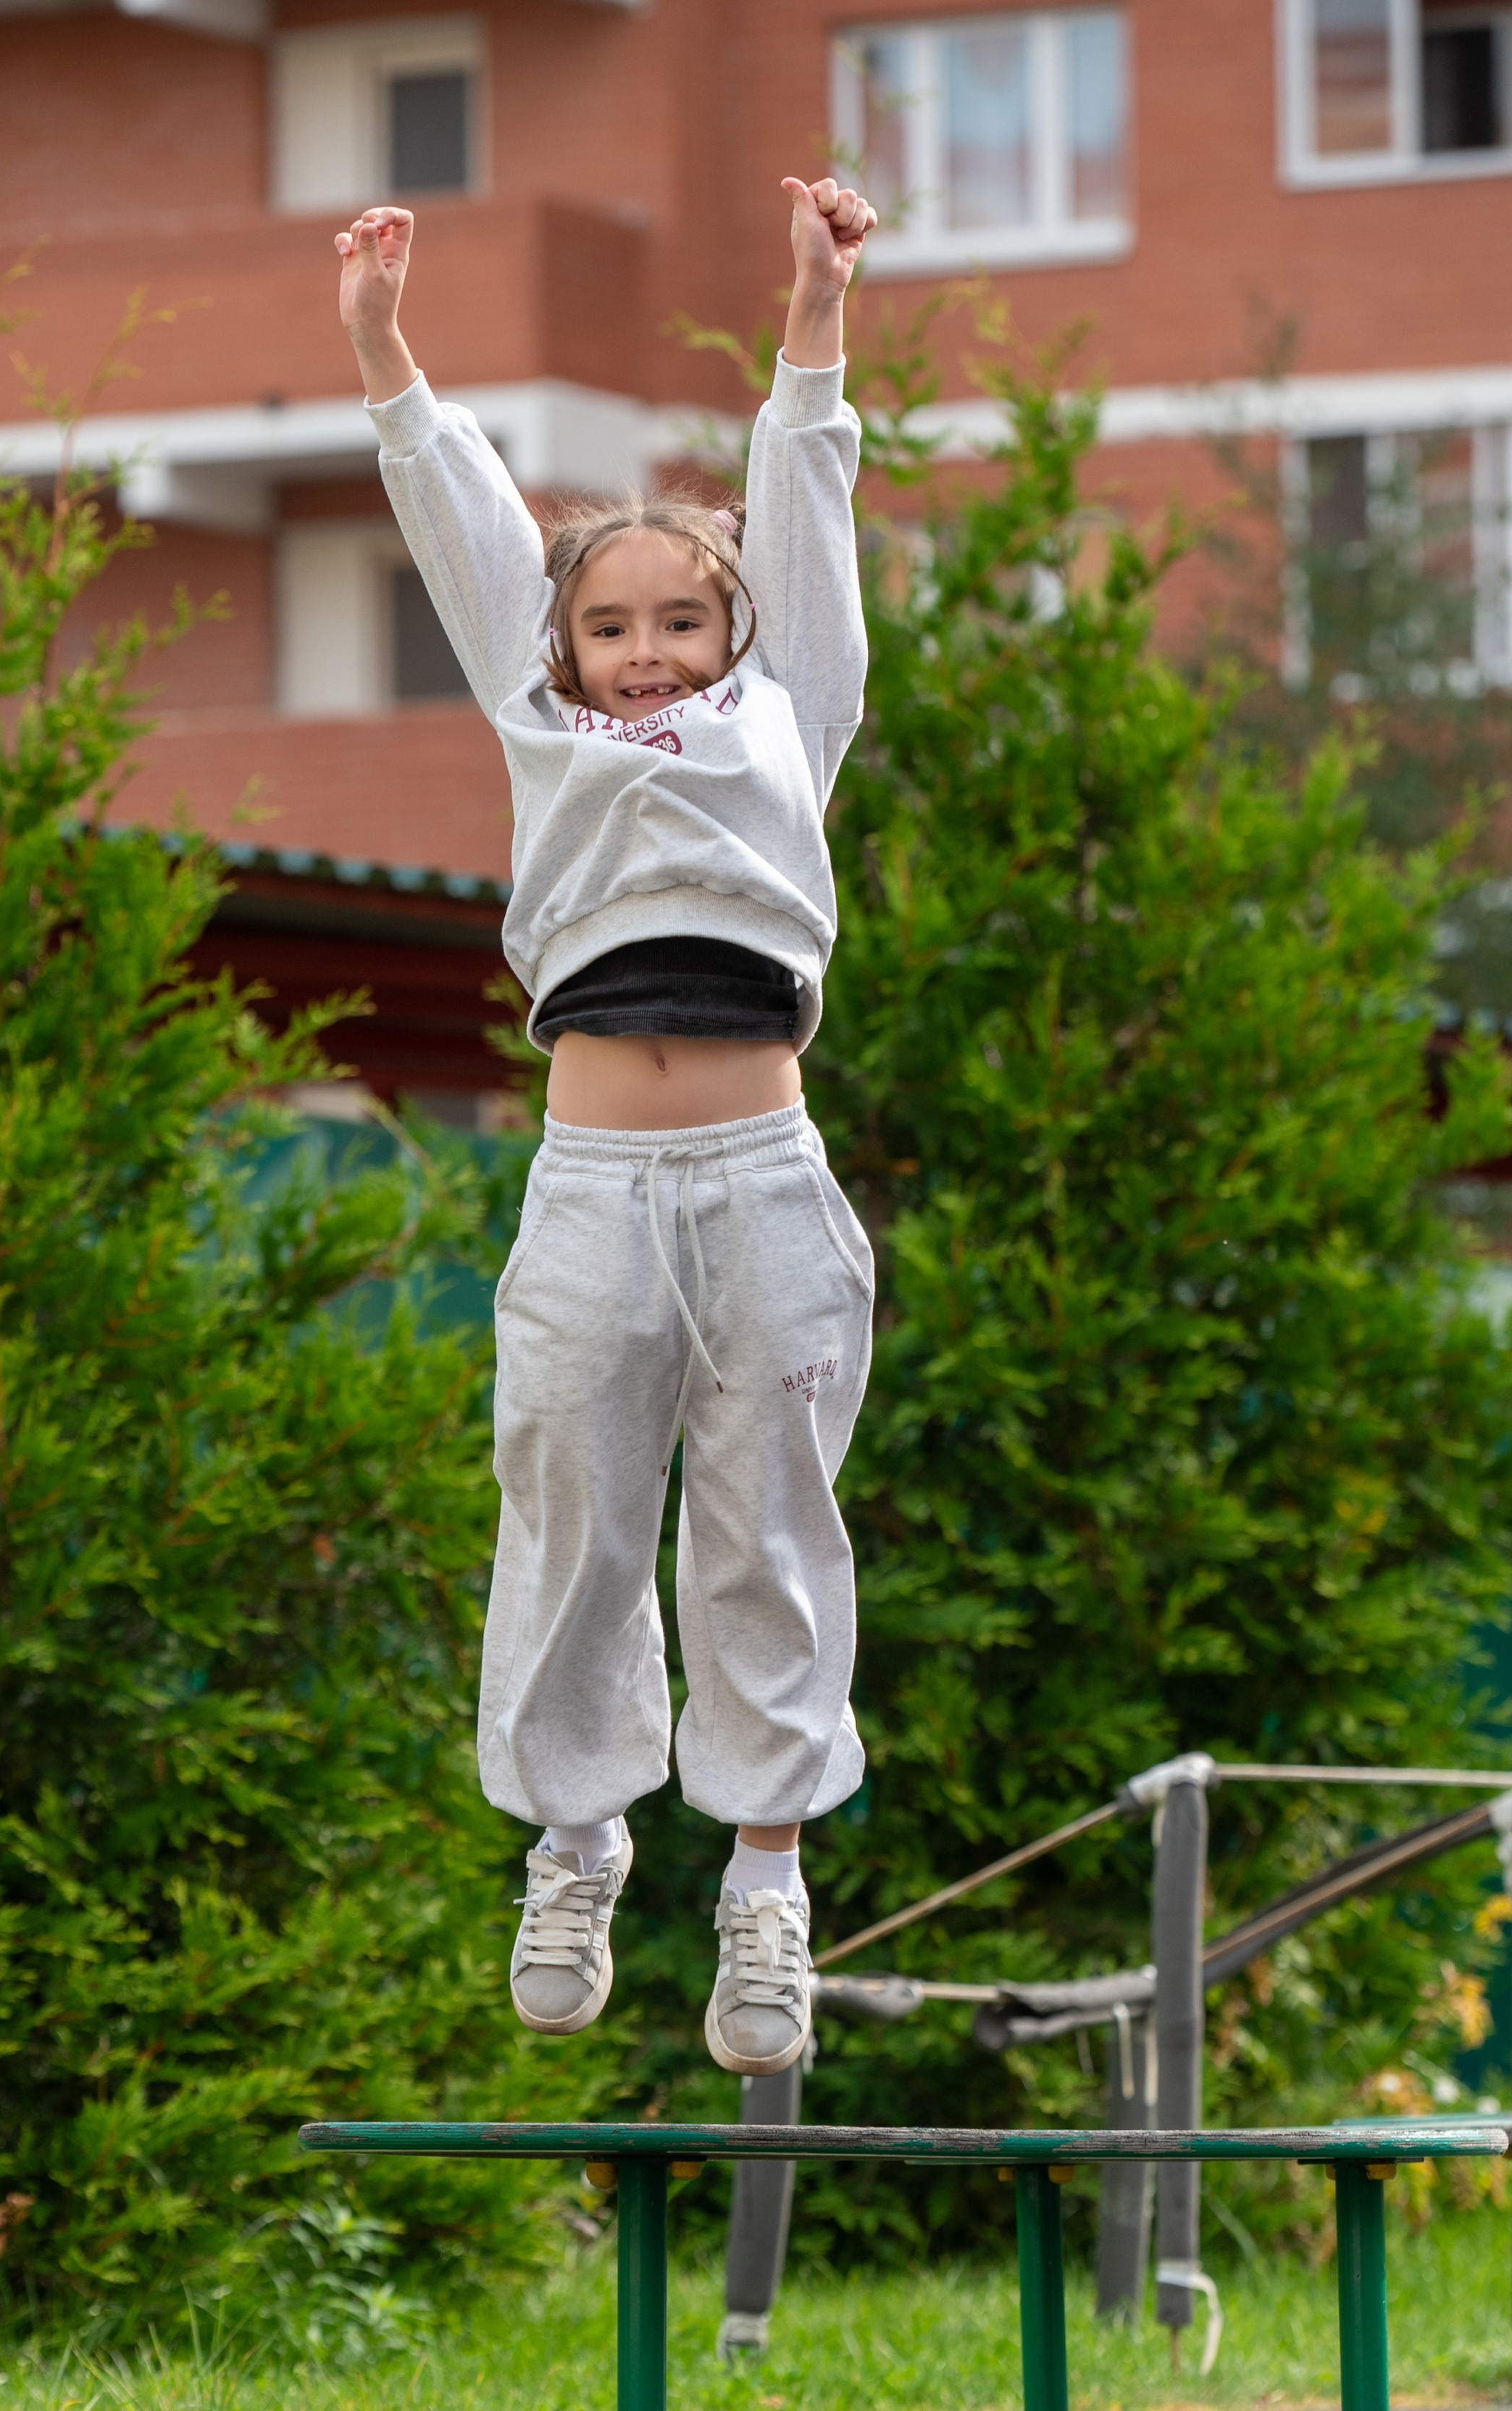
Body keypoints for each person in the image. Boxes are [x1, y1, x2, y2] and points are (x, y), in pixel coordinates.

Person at [334, 175, 877, 2076]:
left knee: (767, 1529)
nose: (645, 652)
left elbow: (806, 495)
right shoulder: (538, 713)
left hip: (762, 1179)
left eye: (679, 622)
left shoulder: (786, 715)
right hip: (593, 1179)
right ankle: (577, 1837)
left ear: (732, 631)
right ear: (560, 650)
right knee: (568, 1500)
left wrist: (815, 311)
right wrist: (390, 356)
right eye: (612, 627)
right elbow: (466, 521)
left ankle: (764, 1883)